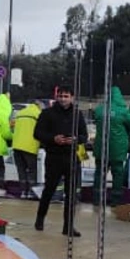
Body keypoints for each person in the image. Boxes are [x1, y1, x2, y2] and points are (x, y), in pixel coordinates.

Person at [33, 87, 89, 236]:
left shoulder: (77, 114)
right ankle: (40, 218)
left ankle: (68, 226)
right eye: (61, 96)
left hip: (72, 157)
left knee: (71, 194)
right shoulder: (47, 113)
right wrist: (53, 139)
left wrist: (77, 139)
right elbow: (37, 133)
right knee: (49, 190)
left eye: (66, 96)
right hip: (54, 157)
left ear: (72, 98)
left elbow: (84, 135)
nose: (63, 99)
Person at [93, 86, 130, 205]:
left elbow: (95, 121)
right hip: (117, 148)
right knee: (117, 173)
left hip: (100, 147)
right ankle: (115, 200)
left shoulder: (99, 110)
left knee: (99, 173)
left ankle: (97, 199)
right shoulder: (123, 112)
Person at [12, 100, 42, 199]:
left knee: (21, 170)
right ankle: (31, 192)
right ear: (38, 106)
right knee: (32, 170)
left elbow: (12, 128)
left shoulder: (20, 113)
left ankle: (23, 192)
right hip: (30, 146)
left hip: (16, 145)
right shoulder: (38, 113)